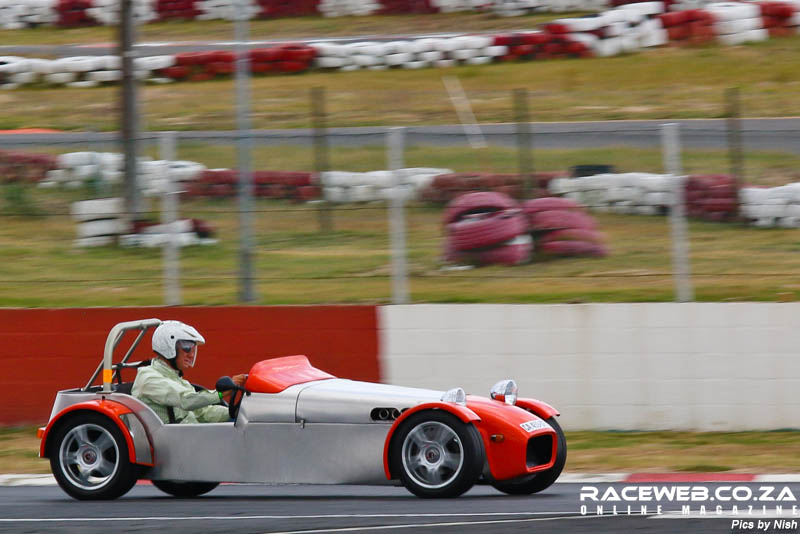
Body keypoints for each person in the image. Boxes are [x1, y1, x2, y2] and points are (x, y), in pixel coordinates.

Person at [132, 320, 246, 424]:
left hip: (189, 436)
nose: (191, 354)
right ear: (169, 347)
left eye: (192, 348)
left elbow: (203, 413)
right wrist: (220, 394)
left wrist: (234, 413)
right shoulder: (148, 378)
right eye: (186, 348)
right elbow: (186, 400)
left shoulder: (177, 379)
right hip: (172, 440)